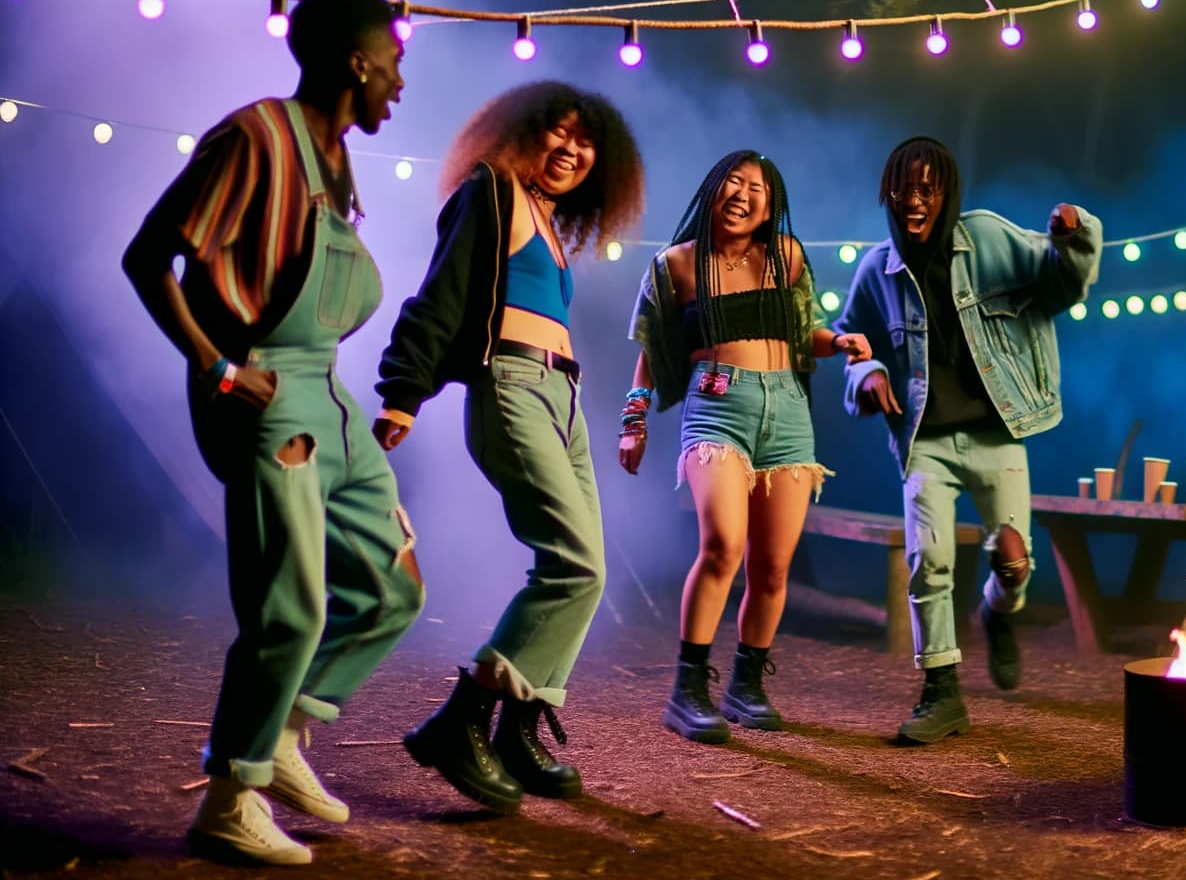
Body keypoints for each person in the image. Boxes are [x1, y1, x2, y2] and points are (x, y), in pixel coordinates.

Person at [122, 0, 421, 865]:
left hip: (330, 396)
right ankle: (229, 797)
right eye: (395, 64)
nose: (400, 85)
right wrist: (214, 365)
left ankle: (286, 734)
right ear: (358, 62)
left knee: (395, 588)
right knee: (289, 609)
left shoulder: (338, 159)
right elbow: (150, 255)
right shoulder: (256, 135)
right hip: (268, 396)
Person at [373, 81, 645, 811]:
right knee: (574, 563)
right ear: (521, 134)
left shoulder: (551, 225)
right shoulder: (490, 192)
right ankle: (461, 721)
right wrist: (404, 388)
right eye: (557, 133)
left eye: (586, 142)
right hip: (512, 386)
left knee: (587, 572)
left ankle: (517, 728)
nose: (571, 150)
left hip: (565, 397)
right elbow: (442, 293)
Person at [833, 136, 1101, 743]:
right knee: (930, 563)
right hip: (925, 440)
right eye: (906, 189)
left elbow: (1062, 286)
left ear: (947, 193)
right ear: (890, 196)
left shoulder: (988, 237)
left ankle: (997, 612)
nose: (916, 200)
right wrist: (868, 374)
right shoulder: (878, 269)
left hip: (998, 434)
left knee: (1013, 561)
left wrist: (1072, 232)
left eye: (929, 188)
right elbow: (851, 339)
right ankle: (941, 692)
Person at [621, 150, 869, 743]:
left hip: (787, 412)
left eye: (757, 187)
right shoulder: (675, 265)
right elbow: (653, 349)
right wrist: (634, 419)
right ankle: (688, 690)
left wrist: (838, 341)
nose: (743, 193)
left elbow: (799, 330)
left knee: (774, 565)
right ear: (712, 190)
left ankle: (747, 683)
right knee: (723, 547)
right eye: (733, 181)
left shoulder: (786, 257)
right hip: (717, 409)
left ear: (770, 205)